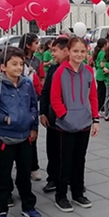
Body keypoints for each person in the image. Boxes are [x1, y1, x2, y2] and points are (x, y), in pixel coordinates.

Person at [0, 47, 42, 217]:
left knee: (24, 175)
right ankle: (0, 211)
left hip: (24, 138)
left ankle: (28, 206)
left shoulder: (27, 84)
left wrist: (33, 126)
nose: (19, 67)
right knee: (2, 177)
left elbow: (32, 106)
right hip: (5, 139)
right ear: (3, 67)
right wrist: (2, 120)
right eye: (14, 64)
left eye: (21, 64)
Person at [50, 37, 100, 212]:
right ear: (68, 52)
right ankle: (61, 195)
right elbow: (55, 98)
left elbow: (93, 96)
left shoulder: (87, 72)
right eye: (75, 51)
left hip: (85, 123)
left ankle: (78, 192)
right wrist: (65, 115)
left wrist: (95, 118)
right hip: (66, 125)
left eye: (82, 51)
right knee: (66, 161)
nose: (79, 55)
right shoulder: (60, 72)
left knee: (80, 159)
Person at [39, 36, 70, 193]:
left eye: (54, 51)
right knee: (53, 148)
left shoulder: (75, 69)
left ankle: (71, 178)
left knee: (70, 150)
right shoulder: (52, 69)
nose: (52, 54)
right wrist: (43, 112)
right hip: (53, 116)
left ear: (65, 51)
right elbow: (45, 92)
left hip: (71, 118)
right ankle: (53, 178)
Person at [19, 33, 44, 181]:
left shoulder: (37, 60)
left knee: (32, 135)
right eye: (36, 43)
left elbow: (41, 77)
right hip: (18, 99)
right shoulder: (18, 58)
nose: (38, 45)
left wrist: (39, 87)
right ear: (28, 45)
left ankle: (34, 166)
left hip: (32, 100)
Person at [93, 38, 109, 116]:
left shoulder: (99, 52)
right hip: (102, 75)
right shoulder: (103, 53)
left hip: (99, 74)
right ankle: (99, 109)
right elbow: (102, 64)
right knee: (101, 93)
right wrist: (107, 67)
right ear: (104, 45)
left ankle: (99, 108)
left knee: (100, 92)